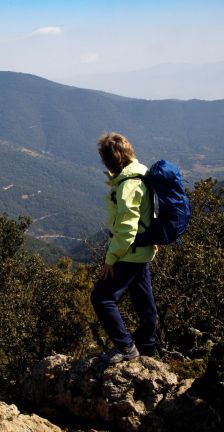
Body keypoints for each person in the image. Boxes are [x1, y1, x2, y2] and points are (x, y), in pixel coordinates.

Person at [91, 132, 157, 364]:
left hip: (129, 252)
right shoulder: (141, 173)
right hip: (142, 251)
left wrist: (111, 258)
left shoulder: (128, 185)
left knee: (102, 297)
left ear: (110, 159)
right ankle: (148, 348)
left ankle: (126, 347)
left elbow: (127, 228)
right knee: (143, 301)